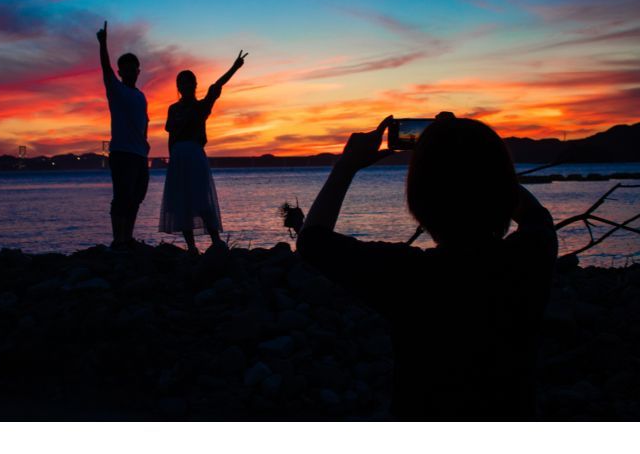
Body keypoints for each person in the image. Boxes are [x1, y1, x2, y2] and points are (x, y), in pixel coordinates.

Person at [297, 113, 557, 420]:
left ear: (418, 200)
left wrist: (347, 166)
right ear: (504, 189)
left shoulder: (407, 276)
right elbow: (536, 216)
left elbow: (312, 241)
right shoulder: (529, 258)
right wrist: (469, 151)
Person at [159, 50, 248, 254]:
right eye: (182, 83)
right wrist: (172, 158)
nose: (185, 86)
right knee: (182, 201)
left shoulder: (202, 106)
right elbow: (171, 136)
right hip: (178, 157)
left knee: (201, 198)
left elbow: (217, 86)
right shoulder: (173, 109)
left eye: (189, 82)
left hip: (194, 154)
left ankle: (216, 242)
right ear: (178, 87)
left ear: (194, 85)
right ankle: (191, 247)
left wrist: (234, 67)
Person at [97, 20, 150, 251]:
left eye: (133, 68)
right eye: (125, 69)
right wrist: (103, 44)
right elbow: (105, 69)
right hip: (122, 153)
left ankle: (127, 237)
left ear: (138, 71)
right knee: (122, 197)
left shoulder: (141, 95)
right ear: (121, 72)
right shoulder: (116, 89)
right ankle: (118, 240)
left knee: (136, 197)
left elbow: (143, 123)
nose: (130, 72)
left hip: (139, 154)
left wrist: (145, 147)